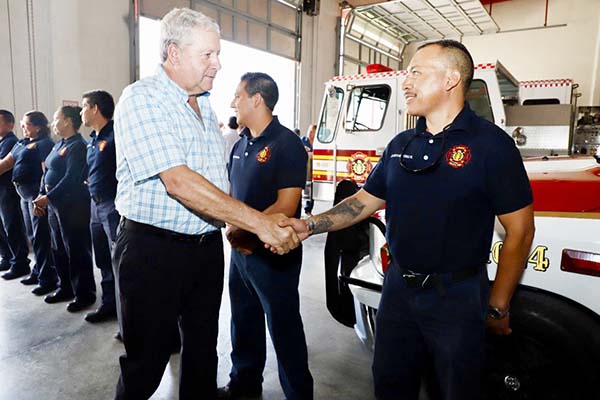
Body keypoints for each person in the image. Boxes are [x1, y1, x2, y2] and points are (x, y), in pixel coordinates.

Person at [280, 40, 535, 400]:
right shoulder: (401, 144)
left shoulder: (492, 146)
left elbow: (521, 230)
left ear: (451, 78)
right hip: (398, 291)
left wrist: (498, 304)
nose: (406, 82)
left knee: (457, 389)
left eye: (417, 72)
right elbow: (362, 203)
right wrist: (309, 225)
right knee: (389, 383)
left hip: (457, 297)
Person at [111, 8, 299, 400]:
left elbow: (214, 183)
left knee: (202, 352)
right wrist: (259, 223)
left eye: (217, 54)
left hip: (204, 249)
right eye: (207, 55)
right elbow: (179, 182)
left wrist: (230, 223)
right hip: (153, 250)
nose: (217, 64)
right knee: (147, 360)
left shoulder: (203, 106)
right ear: (174, 53)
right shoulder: (143, 99)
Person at [219, 73, 313, 400]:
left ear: (257, 99)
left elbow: (287, 204)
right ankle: (244, 384)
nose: (233, 102)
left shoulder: (285, 144)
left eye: (238, 96)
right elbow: (233, 196)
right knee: (243, 322)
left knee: (283, 328)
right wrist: (235, 230)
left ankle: (298, 393)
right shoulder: (241, 143)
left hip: (273, 254)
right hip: (240, 252)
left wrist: (246, 233)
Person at [34, 106, 96, 312]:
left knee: (76, 249)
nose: (53, 123)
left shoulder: (78, 146)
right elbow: (48, 171)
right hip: (55, 206)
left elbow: (72, 178)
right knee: (58, 248)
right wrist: (42, 195)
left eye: (56, 119)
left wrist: (48, 197)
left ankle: (84, 293)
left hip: (72, 206)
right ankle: (66, 287)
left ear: (68, 121)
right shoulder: (59, 144)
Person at [0, 111, 57, 294]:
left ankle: (47, 277)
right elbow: (6, 163)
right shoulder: (21, 143)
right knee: (33, 235)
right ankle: (37, 270)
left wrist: (42, 196)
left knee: (41, 236)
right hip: (23, 194)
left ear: (38, 126)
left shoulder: (44, 144)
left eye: (26, 124)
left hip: (35, 194)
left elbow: (46, 171)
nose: (23, 127)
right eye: (23, 124)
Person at [80, 90, 120, 323]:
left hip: (112, 206)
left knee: (118, 262)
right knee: (103, 259)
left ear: (95, 108)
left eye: (84, 107)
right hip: (95, 206)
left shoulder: (115, 136)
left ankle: (127, 316)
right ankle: (109, 305)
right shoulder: (93, 140)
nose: (81, 113)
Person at [0, 109, 31, 280]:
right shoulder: (3, 141)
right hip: (1, 192)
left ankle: (19, 263)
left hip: (8, 192)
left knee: (12, 227)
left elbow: (3, 165)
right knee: (3, 228)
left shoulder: (11, 142)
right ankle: (8, 257)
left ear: (9, 124)